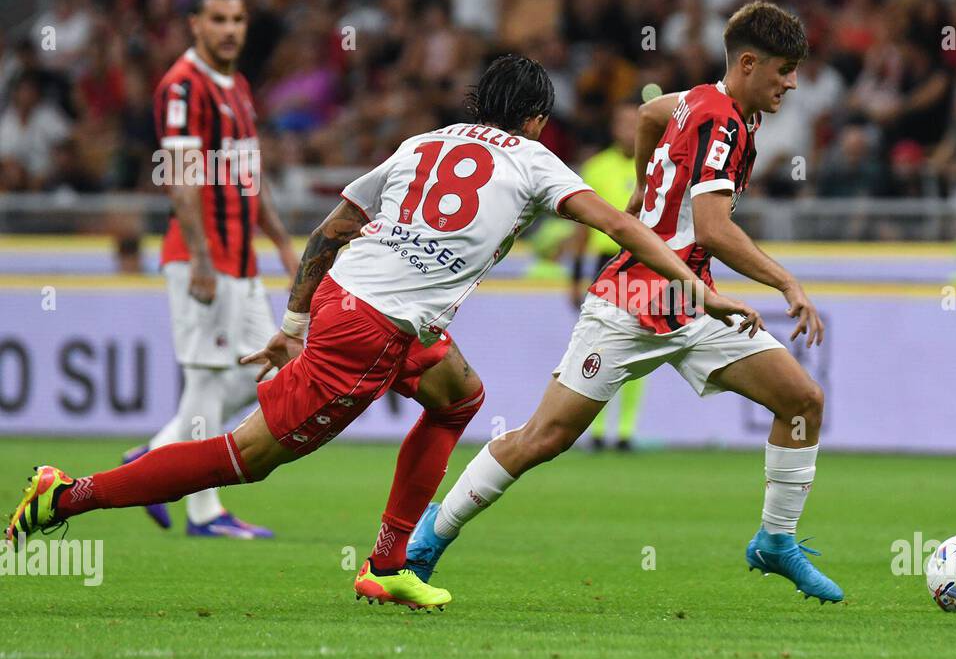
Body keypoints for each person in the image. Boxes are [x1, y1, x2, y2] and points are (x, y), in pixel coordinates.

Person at [8, 55, 762, 613]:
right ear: (536, 120)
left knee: (459, 396)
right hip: (368, 331)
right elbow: (621, 223)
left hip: (359, 306)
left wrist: (294, 322)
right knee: (244, 459)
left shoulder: (420, 144)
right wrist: (693, 283)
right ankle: (67, 496)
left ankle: (388, 561)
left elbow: (330, 231)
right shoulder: (535, 160)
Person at [403, 1, 844, 604]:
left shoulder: (701, 101)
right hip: (636, 296)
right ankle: (429, 536)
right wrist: (786, 283)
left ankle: (775, 541)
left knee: (801, 400)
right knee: (543, 437)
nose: (792, 83)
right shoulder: (724, 125)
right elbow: (713, 229)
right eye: (785, 70)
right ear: (748, 63)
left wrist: (641, 191)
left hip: (692, 300)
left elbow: (648, 113)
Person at [126, 0, 299, 538]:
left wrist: (279, 241)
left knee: (271, 367)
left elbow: (250, 172)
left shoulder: (238, 85)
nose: (230, 30)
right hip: (201, 257)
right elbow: (180, 177)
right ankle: (204, 512)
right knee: (204, 378)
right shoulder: (182, 87)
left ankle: (154, 452)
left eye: (238, 19)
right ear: (194, 24)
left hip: (242, 260)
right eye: (219, 19)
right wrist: (201, 258)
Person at [572, 101, 647, 450]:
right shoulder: (597, 167)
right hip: (605, 261)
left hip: (644, 261)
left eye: (634, 123)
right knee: (600, 345)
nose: (627, 130)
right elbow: (580, 228)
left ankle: (626, 431)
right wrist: (575, 276)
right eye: (622, 123)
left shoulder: (657, 165)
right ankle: (599, 430)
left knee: (640, 346)